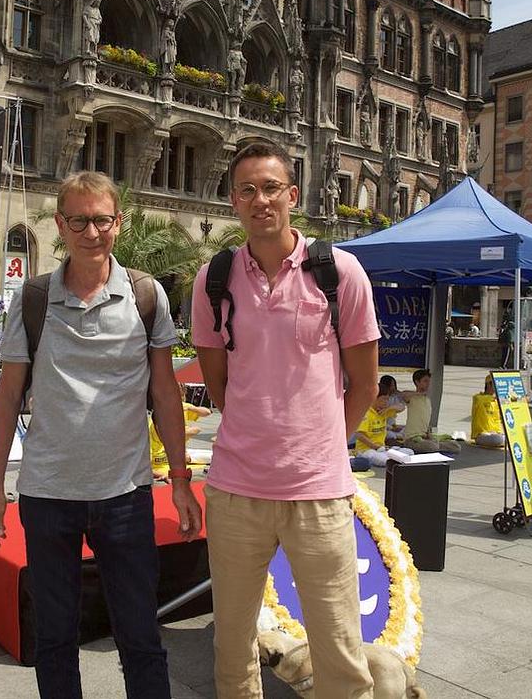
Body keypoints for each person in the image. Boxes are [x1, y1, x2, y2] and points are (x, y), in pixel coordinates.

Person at [0, 171, 202, 697]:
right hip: (47, 495)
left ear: (118, 223)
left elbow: (166, 394)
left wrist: (180, 478)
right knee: (55, 639)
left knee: (141, 636)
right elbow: (8, 396)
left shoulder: (146, 295)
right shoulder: (33, 299)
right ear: (60, 225)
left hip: (125, 496)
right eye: (78, 220)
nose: (91, 231)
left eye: (101, 219)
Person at [191, 142, 379, 697]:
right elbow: (217, 381)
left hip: (317, 492)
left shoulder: (339, 272)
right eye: (247, 190)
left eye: (271, 188)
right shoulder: (214, 279)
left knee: (340, 645)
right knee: (232, 644)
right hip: (235, 490)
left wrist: (323, 445)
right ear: (234, 202)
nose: (260, 200)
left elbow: (365, 383)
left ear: (292, 195)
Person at [401, 369, 461, 454]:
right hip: (411, 439)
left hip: (425, 437)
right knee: (432, 446)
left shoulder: (427, 400)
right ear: (417, 382)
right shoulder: (412, 398)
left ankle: (435, 445)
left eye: (429, 381)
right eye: (425, 381)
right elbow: (403, 394)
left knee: (455, 446)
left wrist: (429, 434)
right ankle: (435, 446)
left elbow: (425, 420)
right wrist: (419, 393)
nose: (428, 384)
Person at [351, 389, 413, 471]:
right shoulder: (367, 413)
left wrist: (389, 408)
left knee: (409, 452)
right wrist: (375, 447)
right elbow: (359, 435)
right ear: (374, 398)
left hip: (382, 449)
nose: (386, 402)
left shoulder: (384, 411)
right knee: (386, 460)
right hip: (366, 451)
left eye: (387, 399)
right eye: (384, 399)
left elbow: (402, 407)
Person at [471, 375, 505, 448]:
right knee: (497, 439)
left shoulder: (495, 401)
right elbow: (482, 399)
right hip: (481, 435)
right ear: (488, 385)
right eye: (494, 384)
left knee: (509, 437)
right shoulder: (478, 398)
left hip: (496, 433)